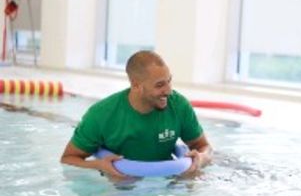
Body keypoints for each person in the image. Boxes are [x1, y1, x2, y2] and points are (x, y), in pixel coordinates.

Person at [60, 50, 212, 180]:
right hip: (121, 182)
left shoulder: (178, 106)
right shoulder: (102, 115)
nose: (169, 91)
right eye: (160, 85)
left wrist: (201, 158)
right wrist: (99, 165)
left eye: (169, 81)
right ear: (136, 85)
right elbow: (67, 159)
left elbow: (204, 146)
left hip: (167, 180)